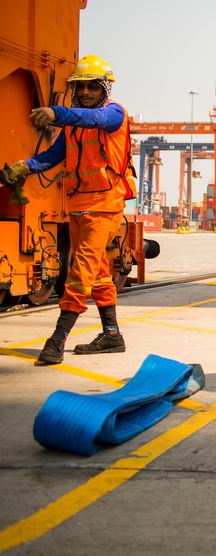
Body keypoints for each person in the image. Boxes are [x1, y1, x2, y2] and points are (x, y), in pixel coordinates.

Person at [8, 55, 135, 364]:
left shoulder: (113, 114)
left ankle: (57, 339)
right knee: (99, 273)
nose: (87, 92)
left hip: (104, 207)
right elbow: (53, 155)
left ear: (104, 88)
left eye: (93, 87)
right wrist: (25, 166)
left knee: (78, 276)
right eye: (82, 87)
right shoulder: (73, 128)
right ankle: (112, 336)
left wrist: (56, 112)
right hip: (79, 206)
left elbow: (92, 119)